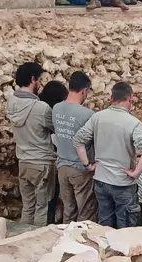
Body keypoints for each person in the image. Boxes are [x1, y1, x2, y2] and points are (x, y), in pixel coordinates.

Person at [73, 82, 142, 229]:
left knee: (105, 226)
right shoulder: (133, 123)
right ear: (130, 98)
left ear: (111, 98)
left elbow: (78, 140)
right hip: (123, 183)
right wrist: (136, 173)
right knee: (126, 229)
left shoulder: (97, 118)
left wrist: (88, 165)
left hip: (101, 181)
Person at [7, 62, 55, 227]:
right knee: (42, 207)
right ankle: (37, 243)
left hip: (23, 162)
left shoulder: (11, 102)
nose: (41, 84)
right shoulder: (41, 108)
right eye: (40, 80)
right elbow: (54, 129)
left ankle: (23, 237)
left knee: (27, 206)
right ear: (33, 79)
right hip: (41, 163)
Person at [53, 71, 98, 223]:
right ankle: (82, 243)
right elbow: (94, 142)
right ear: (85, 90)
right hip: (80, 169)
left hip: (62, 167)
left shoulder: (56, 109)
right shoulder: (88, 114)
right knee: (86, 211)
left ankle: (66, 241)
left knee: (69, 210)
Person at [38, 80, 68, 224]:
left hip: (28, 159)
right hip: (48, 161)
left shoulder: (37, 108)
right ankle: (48, 225)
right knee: (49, 199)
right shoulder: (49, 113)